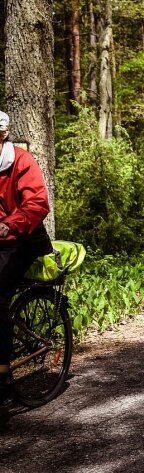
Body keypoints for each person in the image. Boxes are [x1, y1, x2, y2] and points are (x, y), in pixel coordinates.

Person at [0, 111, 53, 406]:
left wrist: (10, 223)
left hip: (19, 241)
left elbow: (36, 203)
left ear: (4, 133)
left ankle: (4, 377)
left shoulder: (20, 161)